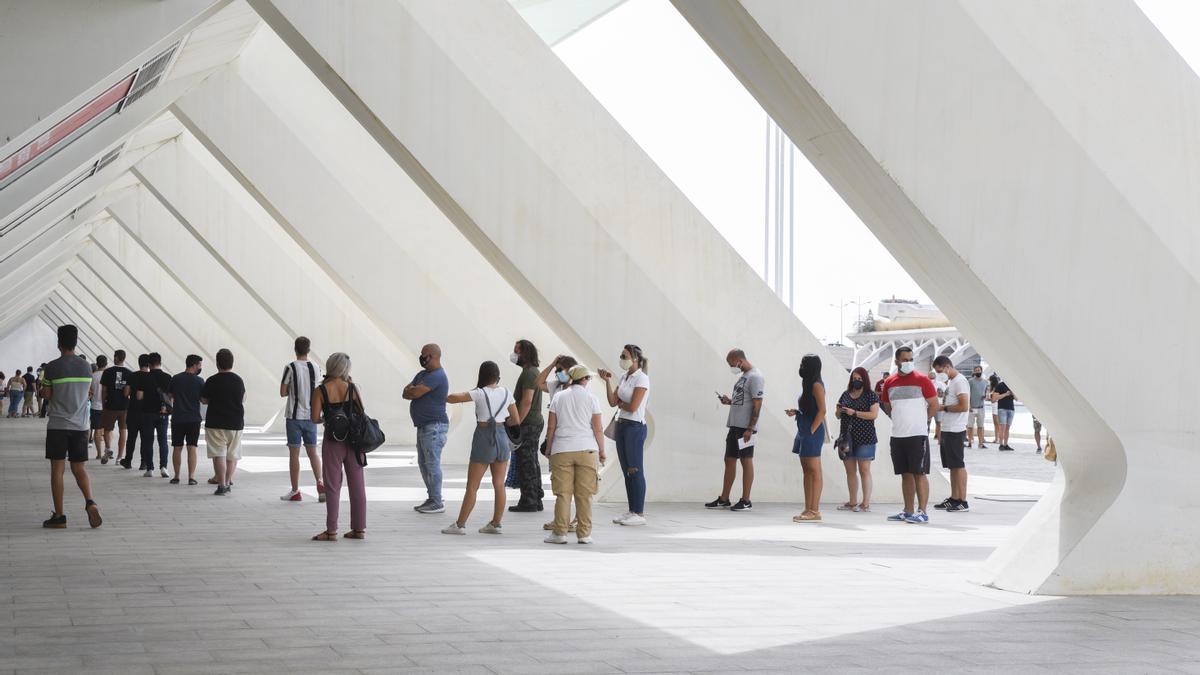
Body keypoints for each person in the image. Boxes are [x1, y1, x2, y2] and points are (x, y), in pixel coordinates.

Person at [442, 361, 521, 535]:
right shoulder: (507, 392)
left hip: (484, 436)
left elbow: (455, 398)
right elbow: (516, 419)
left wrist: (442, 395)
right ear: (497, 375)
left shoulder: (478, 393)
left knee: (472, 486)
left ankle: (460, 525)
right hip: (502, 437)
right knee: (499, 484)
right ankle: (495, 524)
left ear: (482, 375)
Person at [40, 325, 102, 529]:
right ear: (75, 342)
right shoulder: (86, 367)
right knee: (79, 467)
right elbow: (89, 393)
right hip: (81, 425)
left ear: (59, 343)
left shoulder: (52, 367)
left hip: (58, 424)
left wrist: (44, 391)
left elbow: (47, 395)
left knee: (57, 469)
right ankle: (90, 502)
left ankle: (59, 516)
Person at [544, 364, 605, 544]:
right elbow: (598, 428)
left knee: (563, 494)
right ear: (584, 379)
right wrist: (601, 451)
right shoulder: (592, 399)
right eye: (589, 378)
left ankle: (560, 533)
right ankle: (584, 534)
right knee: (585, 495)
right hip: (587, 449)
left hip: (562, 449)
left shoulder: (559, 397)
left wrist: (548, 447)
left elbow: (551, 427)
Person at [311, 352, 367, 540]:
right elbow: (361, 412)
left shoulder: (321, 390)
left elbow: (314, 418)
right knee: (357, 484)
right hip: (353, 441)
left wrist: (328, 419)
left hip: (333, 441)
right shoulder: (352, 388)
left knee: (332, 486)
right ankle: (359, 529)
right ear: (345, 369)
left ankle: (331, 530)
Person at [880, 346, 938, 524]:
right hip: (897, 435)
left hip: (917, 435)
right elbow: (888, 407)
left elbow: (934, 405)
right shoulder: (889, 383)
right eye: (904, 360)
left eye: (910, 359)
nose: (908, 363)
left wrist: (923, 422)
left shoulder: (922, 380)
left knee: (919, 473)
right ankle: (908, 510)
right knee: (905, 473)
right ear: (896, 361)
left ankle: (922, 512)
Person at [599, 344, 650, 526]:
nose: (622, 358)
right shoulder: (624, 376)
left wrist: (622, 404)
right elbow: (614, 401)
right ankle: (632, 510)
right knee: (626, 470)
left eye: (624, 355)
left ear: (635, 358)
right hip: (621, 425)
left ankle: (640, 512)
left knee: (635, 469)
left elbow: (633, 406)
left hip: (634, 427)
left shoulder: (641, 379)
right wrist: (606, 381)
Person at [706, 349, 763, 512]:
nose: (731, 367)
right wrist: (729, 401)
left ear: (740, 360)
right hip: (735, 425)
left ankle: (746, 500)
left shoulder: (755, 377)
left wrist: (750, 428)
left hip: (746, 428)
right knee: (729, 459)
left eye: (732, 364)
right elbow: (744, 401)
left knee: (746, 461)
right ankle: (724, 499)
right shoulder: (744, 377)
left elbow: (757, 403)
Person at [404, 344, 449, 514]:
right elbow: (405, 392)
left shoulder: (437, 375)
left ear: (433, 356)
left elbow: (413, 393)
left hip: (434, 427)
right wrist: (413, 390)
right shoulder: (422, 374)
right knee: (424, 464)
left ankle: (437, 501)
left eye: (424, 355)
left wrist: (414, 390)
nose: (422, 357)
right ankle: (432, 497)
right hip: (424, 427)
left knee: (432, 464)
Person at [536, 355, 579, 532]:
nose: (557, 373)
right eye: (556, 370)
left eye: (560, 370)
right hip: (558, 441)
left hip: (574, 441)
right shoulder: (556, 386)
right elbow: (538, 382)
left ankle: (576, 519)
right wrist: (553, 363)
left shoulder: (579, 388)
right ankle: (561, 519)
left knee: (576, 484)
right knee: (561, 484)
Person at [280, 337, 325, 503]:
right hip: (311, 417)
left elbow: (283, 392)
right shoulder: (316, 367)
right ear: (309, 350)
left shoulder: (290, 367)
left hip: (294, 417)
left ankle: (295, 491)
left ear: (295, 349)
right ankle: (320, 484)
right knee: (313, 452)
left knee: (294, 454)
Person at [835, 367, 879, 513]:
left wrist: (854, 413)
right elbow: (838, 416)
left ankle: (865, 503)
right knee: (850, 471)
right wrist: (839, 411)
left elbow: (873, 415)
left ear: (865, 380)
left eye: (859, 379)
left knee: (864, 470)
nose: (856, 381)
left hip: (865, 437)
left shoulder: (870, 395)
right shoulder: (845, 394)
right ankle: (852, 501)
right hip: (847, 438)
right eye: (854, 378)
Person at [508, 339, 545, 512]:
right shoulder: (531, 372)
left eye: (517, 351)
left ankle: (529, 501)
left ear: (526, 354)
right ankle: (536, 498)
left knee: (526, 463)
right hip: (533, 422)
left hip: (528, 423)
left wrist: (516, 423)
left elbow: (527, 401)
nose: (515, 354)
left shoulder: (529, 373)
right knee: (531, 461)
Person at [788, 354, 826, 522]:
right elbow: (809, 407)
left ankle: (815, 510)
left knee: (814, 470)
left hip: (812, 430)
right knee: (807, 471)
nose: (801, 366)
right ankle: (808, 508)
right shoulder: (807, 384)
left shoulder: (817, 385)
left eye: (804, 364)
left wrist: (811, 429)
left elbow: (822, 410)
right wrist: (796, 412)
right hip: (803, 427)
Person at [201, 348, 245, 496]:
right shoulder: (239, 380)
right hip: (235, 422)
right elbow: (243, 398)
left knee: (218, 454)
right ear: (232, 363)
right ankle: (227, 481)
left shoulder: (211, 380)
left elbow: (204, 400)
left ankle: (221, 485)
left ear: (217, 363)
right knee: (232, 455)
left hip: (215, 422)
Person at [932, 356, 970, 512]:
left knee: (958, 465)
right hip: (947, 428)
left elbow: (963, 406)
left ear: (947, 366)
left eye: (939, 371)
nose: (939, 374)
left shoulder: (960, 381)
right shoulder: (952, 382)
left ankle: (963, 500)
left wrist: (943, 408)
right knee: (952, 466)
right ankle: (954, 498)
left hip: (956, 429)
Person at [168, 355, 204, 485]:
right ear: (194, 365)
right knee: (192, 447)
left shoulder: (176, 379)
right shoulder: (200, 381)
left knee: (177, 447)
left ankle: (176, 476)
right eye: (200, 365)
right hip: (194, 419)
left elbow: (170, 396)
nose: (200, 367)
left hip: (178, 418)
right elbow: (203, 400)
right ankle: (191, 477)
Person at [135, 353, 172, 477]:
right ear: (160, 362)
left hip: (147, 413)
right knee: (163, 441)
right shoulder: (168, 377)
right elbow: (171, 397)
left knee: (147, 440)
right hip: (163, 413)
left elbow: (139, 396)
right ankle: (164, 467)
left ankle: (150, 468)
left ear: (149, 364)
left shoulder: (144, 377)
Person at [100, 350, 133, 467]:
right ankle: (119, 457)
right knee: (123, 430)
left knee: (107, 429)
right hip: (124, 406)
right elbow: (129, 392)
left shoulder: (108, 372)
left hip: (111, 405)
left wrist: (103, 404)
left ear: (116, 358)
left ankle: (108, 448)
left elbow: (104, 390)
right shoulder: (130, 373)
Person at [991, 374, 1015, 451]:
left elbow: (1017, 398)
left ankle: (1006, 444)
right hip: (1002, 409)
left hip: (1011, 409)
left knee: (1007, 428)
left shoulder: (1013, 386)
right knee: (1002, 427)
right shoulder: (1000, 385)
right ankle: (1001, 444)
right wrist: (1005, 394)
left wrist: (1012, 393)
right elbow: (994, 398)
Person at [89, 357, 107, 461]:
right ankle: (107, 450)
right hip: (106, 407)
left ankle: (99, 453)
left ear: (97, 364)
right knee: (107, 430)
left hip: (95, 406)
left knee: (97, 430)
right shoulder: (108, 375)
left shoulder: (92, 376)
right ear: (106, 363)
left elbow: (90, 392)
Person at [967, 366, 988, 449]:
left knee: (981, 426)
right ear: (974, 372)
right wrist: (969, 406)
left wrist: (985, 397)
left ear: (981, 371)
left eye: (979, 370)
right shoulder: (970, 381)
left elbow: (986, 393)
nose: (978, 371)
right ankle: (969, 442)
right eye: (976, 370)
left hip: (981, 407)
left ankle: (981, 443)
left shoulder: (985, 382)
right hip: (972, 407)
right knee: (970, 426)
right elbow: (968, 394)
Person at [931, 369, 948, 443]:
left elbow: (946, 393)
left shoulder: (940, 384)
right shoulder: (926, 383)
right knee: (927, 423)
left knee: (938, 422)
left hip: (939, 406)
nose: (932, 379)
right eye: (930, 378)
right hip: (929, 406)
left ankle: (939, 440)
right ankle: (925, 440)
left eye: (933, 377)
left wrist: (944, 404)